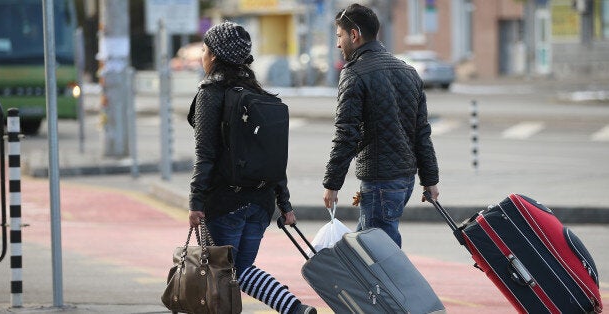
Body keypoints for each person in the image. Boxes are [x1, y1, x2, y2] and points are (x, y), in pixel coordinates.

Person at [187, 21, 316, 314]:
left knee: (220, 274)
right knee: (240, 270)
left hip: (225, 201)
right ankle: (294, 309)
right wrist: (284, 203)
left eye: (205, 50)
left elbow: (205, 154)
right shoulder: (260, 95)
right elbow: (274, 158)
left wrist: (196, 201)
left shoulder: (211, 92)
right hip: (260, 203)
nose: (202, 57)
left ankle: (293, 309)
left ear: (216, 56)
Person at [322, 4, 440, 248]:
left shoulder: (355, 73)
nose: (338, 44)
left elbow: (346, 134)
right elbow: (422, 133)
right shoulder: (408, 71)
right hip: (404, 179)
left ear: (354, 35)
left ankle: (396, 287)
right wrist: (430, 180)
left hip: (380, 182)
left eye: (339, 36)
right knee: (363, 249)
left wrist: (332, 184)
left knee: (380, 256)